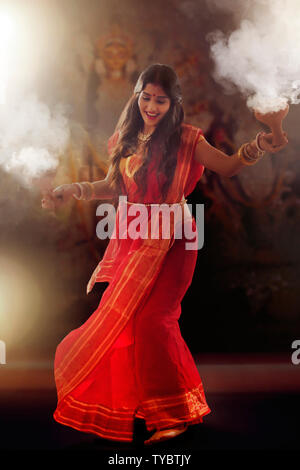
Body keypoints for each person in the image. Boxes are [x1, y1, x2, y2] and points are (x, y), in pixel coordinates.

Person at [42, 63, 288, 445]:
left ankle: (173, 416)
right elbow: (114, 186)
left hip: (175, 239)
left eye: (161, 100)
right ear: (137, 97)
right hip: (134, 241)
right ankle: (155, 405)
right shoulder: (123, 139)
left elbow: (228, 166)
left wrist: (259, 144)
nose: (152, 106)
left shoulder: (188, 139)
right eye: (146, 98)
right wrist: (73, 190)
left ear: (174, 102)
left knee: (155, 321)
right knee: (126, 325)